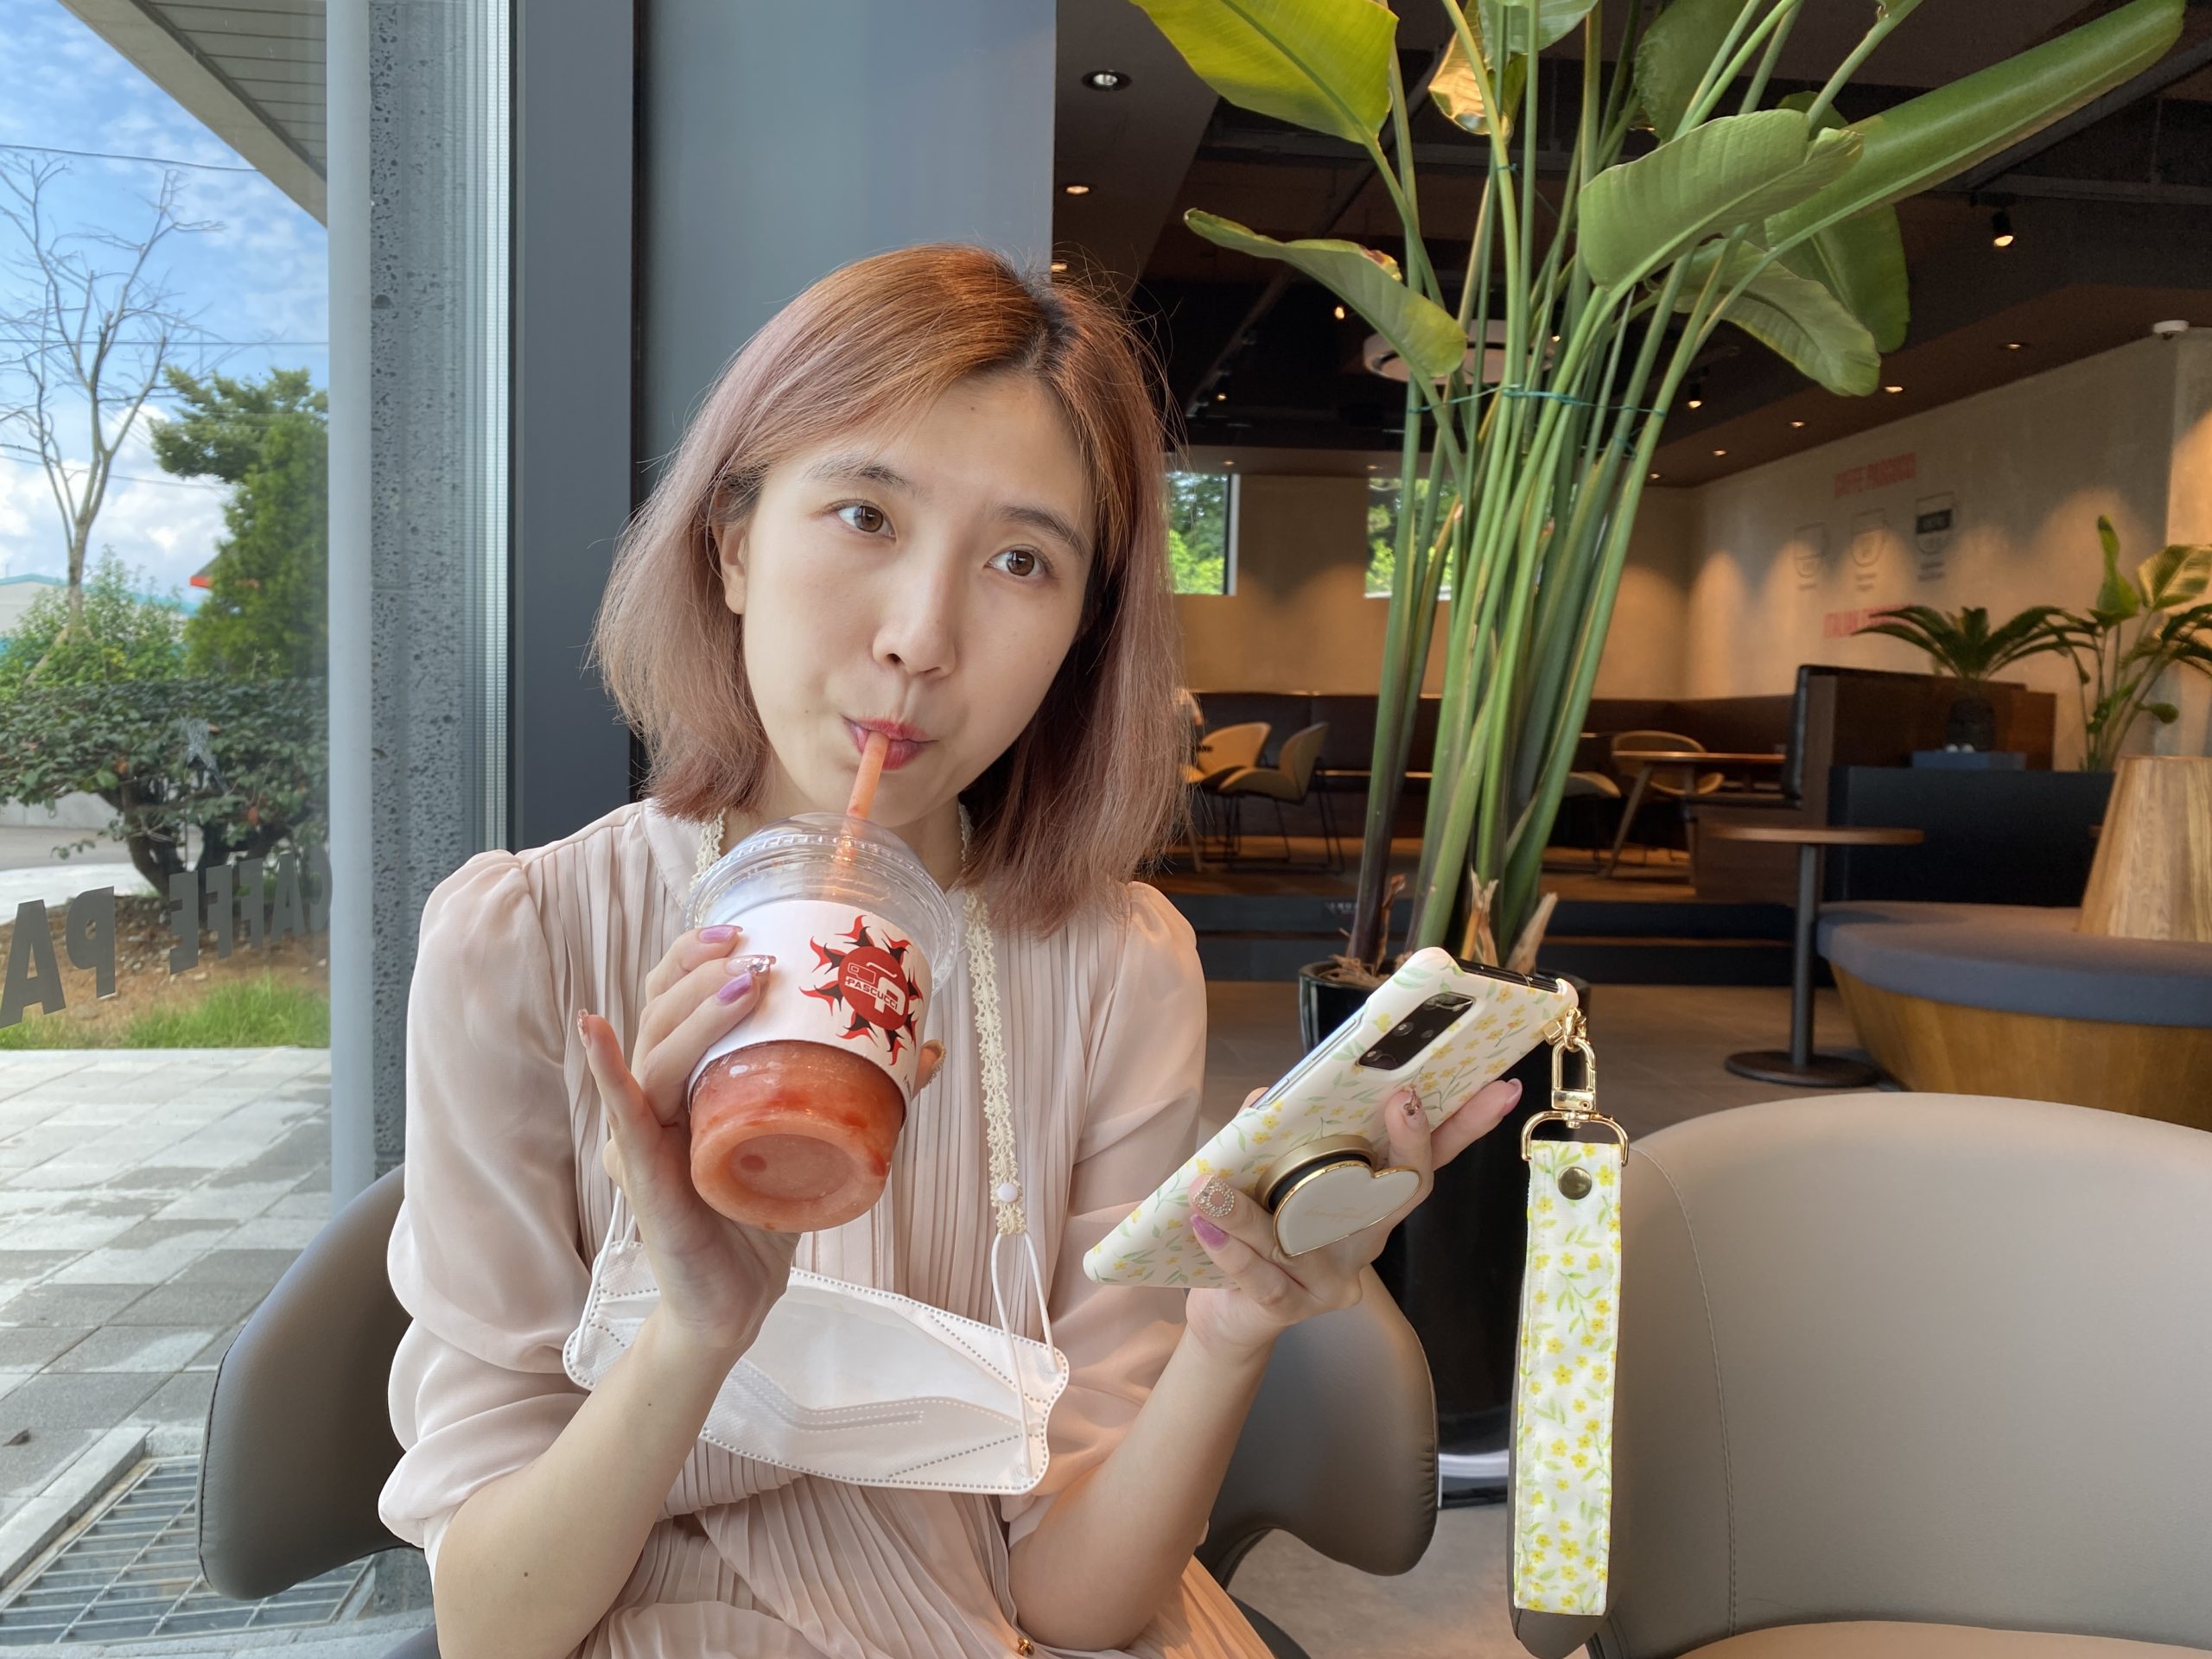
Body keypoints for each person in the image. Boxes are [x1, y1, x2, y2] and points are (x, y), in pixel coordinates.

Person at [377, 244, 1522, 1659]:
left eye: (1021, 561)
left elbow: (1079, 1605)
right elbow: (494, 1624)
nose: (922, 639)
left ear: (1082, 634)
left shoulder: (1120, 970)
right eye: (864, 513)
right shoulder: (524, 943)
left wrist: (1231, 1330)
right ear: (732, 544)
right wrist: (696, 1330)